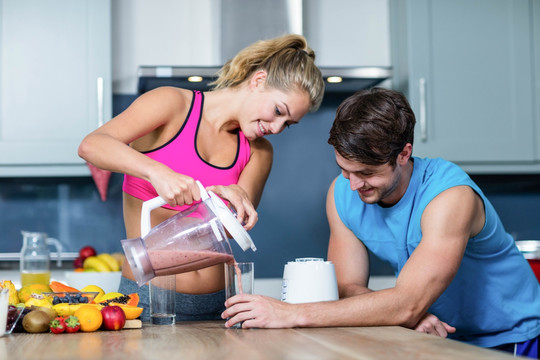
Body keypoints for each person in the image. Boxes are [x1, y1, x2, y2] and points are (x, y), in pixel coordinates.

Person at [222, 88, 540, 358]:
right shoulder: (342, 193)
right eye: (345, 170)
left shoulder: (450, 198)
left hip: (510, 338)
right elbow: (346, 287)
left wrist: (290, 313)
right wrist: (403, 314)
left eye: (367, 173)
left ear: (404, 154)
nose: (354, 185)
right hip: (433, 334)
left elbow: (408, 302)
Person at [78, 34, 325, 322]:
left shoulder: (259, 152)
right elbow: (92, 145)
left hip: (221, 306)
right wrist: (157, 172)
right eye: (278, 111)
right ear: (258, 80)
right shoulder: (171, 104)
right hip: (149, 300)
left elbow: (229, 229)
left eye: (288, 124)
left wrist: (219, 196)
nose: (277, 127)